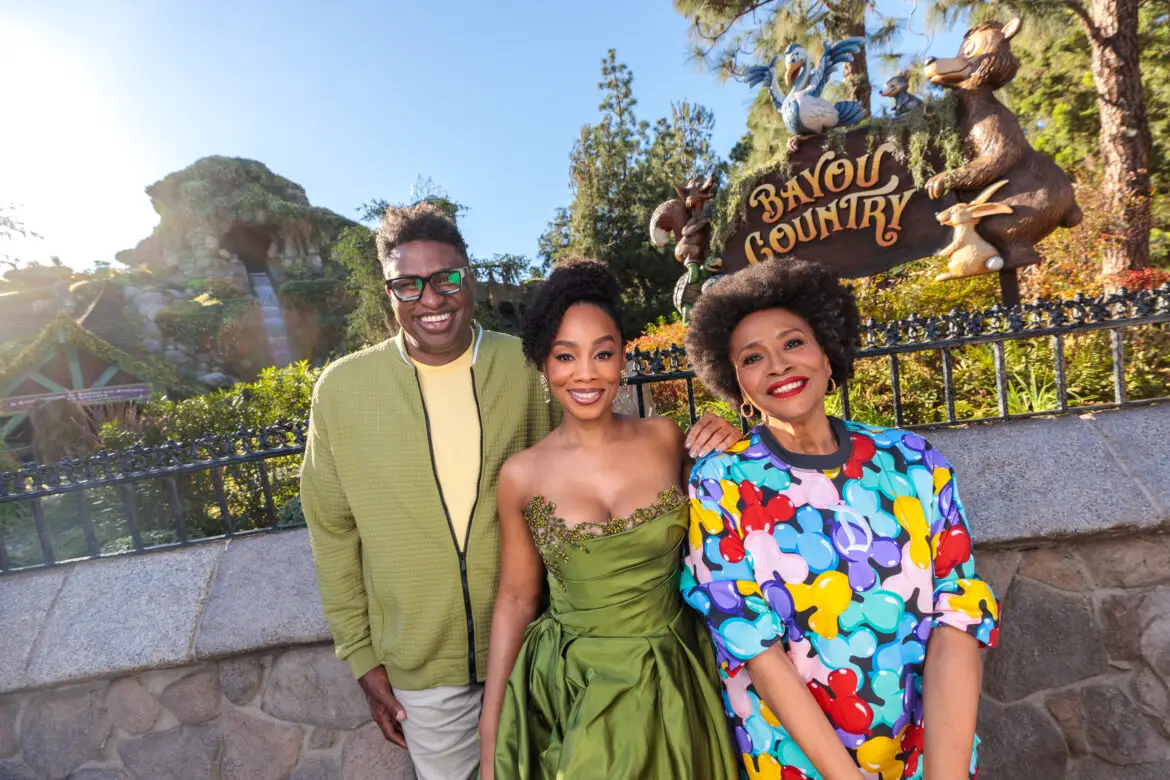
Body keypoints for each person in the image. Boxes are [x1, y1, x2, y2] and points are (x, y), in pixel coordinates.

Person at [300, 204, 735, 780]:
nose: (430, 298)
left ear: (469, 278)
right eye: (408, 284)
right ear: (388, 291)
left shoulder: (523, 364)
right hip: (428, 663)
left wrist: (731, 440)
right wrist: (360, 653)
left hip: (576, 665)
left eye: (446, 278)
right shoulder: (343, 391)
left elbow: (706, 509)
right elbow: (331, 529)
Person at [681, 259, 1001, 780]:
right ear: (737, 384)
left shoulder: (915, 461)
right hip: (799, 763)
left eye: (793, 343)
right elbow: (754, 648)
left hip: (927, 755)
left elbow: (959, 617)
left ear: (828, 355)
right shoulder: (722, 485)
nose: (778, 365)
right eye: (753, 357)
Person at [478, 258, 741, 780]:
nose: (586, 373)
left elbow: (732, 528)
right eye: (564, 355)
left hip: (677, 674)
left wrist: (732, 443)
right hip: (576, 684)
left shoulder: (667, 438)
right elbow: (515, 598)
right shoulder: (521, 474)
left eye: (602, 353)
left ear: (622, 355)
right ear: (542, 363)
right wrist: (493, 731)